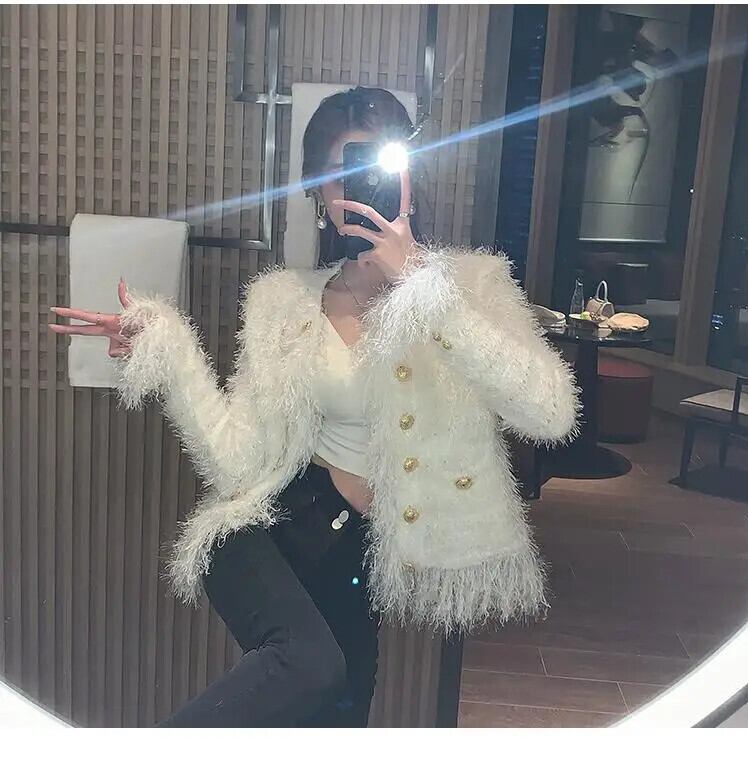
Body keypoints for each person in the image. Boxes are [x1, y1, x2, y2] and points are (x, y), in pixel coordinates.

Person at [48, 86, 581, 727]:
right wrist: (168, 351)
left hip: (354, 556)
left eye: (376, 166)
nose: (357, 189)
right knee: (310, 668)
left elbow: (551, 412)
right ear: (319, 194)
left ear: (410, 177)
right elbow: (237, 460)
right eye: (340, 174)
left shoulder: (469, 285)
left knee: (341, 716)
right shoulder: (283, 299)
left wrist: (423, 289)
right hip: (272, 529)